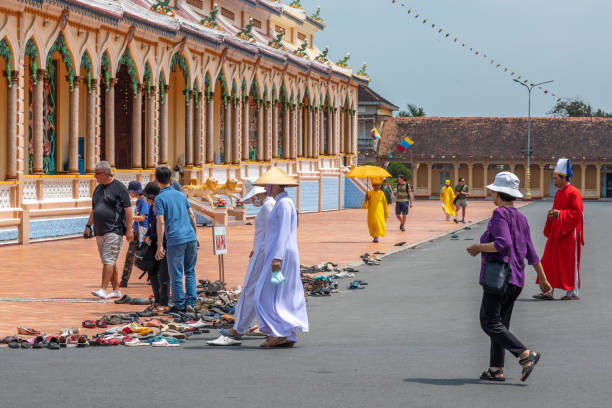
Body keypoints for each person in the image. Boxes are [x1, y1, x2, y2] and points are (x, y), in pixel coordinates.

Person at [467, 172, 552, 382]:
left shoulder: (499, 215)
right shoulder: (521, 218)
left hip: (500, 278)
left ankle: (524, 354)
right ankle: (496, 369)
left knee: (488, 322)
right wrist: (543, 278)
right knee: (500, 325)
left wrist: (479, 247)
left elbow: (502, 244)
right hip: (516, 280)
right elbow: (531, 252)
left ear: (498, 193)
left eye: (493, 192)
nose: (491, 195)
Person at [208, 180, 276, 346]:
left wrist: (263, 250)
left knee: (249, 289)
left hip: (263, 253)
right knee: (264, 291)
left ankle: (238, 329)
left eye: (254, 197)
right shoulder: (273, 204)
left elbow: (272, 233)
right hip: (264, 251)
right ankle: (264, 326)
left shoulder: (268, 206)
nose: (254, 201)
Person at [253, 167, 308, 348]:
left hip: (281, 254)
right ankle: (287, 333)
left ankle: (278, 332)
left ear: (276, 185)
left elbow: (283, 232)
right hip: (279, 252)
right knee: (281, 295)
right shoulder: (281, 202)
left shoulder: (284, 204)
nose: (267, 187)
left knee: (264, 294)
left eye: (269, 184)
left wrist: (277, 258)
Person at [533, 158, 584, 301]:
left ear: (564, 177)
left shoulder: (574, 192)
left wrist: (560, 214)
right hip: (556, 232)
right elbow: (557, 210)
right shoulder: (559, 192)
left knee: (568, 262)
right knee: (549, 261)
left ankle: (571, 293)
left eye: (555, 178)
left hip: (568, 233)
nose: (553, 181)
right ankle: (548, 291)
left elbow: (577, 212)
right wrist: (552, 214)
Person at [85, 161, 133, 299]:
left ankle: (103, 289)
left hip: (114, 229)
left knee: (108, 259)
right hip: (100, 230)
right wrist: (88, 226)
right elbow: (95, 209)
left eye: (97, 174)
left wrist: (129, 230)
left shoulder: (119, 188)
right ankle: (116, 290)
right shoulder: (98, 189)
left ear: (106, 173)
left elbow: (128, 210)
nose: (94, 177)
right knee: (109, 260)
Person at [154, 166, 199, 313]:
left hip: (175, 239)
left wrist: (160, 245)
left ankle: (179, 304)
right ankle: (191, 302)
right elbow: (192, 215)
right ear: (171, 179)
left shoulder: (159, 199)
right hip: (190, 236)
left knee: (176, 274)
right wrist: (196, 235)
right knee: (190, 271)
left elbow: (160, 222)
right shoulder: (181, 195)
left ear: (156, 180)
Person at [142, 182, 170, 309]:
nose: (145, 200)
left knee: (163, 273)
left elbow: (161, 226)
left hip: (162, 243)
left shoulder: (159, 206)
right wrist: (147, 235)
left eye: (146, 197)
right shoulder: (151, 207)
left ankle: (163, 300)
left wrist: (152, 238)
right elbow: (152, 225)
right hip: (154, 243)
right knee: (153, 272)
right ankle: (158, 298)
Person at [120, 181, 149, 288]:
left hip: (144, 232)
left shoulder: (144, 202)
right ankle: (124, 280)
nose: (129, 194)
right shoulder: (138, 201)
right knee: (130, 255)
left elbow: (142, 218)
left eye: (130, 192)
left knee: (145, 255)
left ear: (134, 192)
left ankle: (154, 275)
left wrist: (129, 217)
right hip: (136, 231)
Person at [362, 178, 389, 243]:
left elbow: (385, 203)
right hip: (371, 212)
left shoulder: (381, 193)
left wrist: (386, 212)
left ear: (380, 186)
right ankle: (374, 236)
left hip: (380, 212)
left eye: (378, 185)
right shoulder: (369, 193)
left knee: (378, 224)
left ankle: (376, 237)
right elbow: (365, 206)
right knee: (372, 224)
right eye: (375, 185)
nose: (377, 186)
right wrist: (366, 198)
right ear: (372, 186)